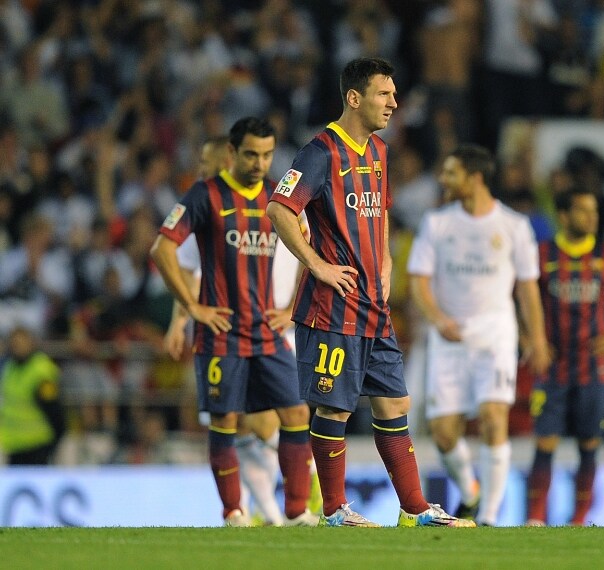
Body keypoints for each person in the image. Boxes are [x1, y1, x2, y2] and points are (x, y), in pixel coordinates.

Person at [267, 57, 475, 527]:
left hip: (373, 305)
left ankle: (415, 510)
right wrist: (317, 265)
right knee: (333, 406)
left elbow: (378, 215)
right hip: (332, 304)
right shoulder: (319, 152)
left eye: (394, 93)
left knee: (395, 402)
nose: (394, 102)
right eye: (385, 94)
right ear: (354, 98)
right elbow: (279, 208)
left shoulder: (379, 152)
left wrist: (383, 261)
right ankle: (335, 510)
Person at [150, 117, 317, 527]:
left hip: (266, 331)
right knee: (226, 423)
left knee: (296, 414)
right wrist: (193, 306)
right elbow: (162, 250)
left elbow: (308, 246)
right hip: (221, 334)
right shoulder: (205, 195)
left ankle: (297, 512)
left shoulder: (278, 200)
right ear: (232, 153)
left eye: (266, 155)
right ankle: (233, 512)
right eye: (251, 154)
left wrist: (293, 305)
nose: (260, 163)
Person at [407, 144, 550, 526]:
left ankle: (488, 517)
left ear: (475, 177)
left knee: (492, 416)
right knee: (443, 433)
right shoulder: (437, 223)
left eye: (451, 173)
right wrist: (438, 320)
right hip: (449, 336)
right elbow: (418, 281)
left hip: (495, 334)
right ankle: (471, 492)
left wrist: (536, 338)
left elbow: (527, 289)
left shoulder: (514, 226)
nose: (443, 179)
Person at [526, 187, 604, 526]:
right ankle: (535, 518)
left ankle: (579, 518)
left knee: (589, 444)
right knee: (545, 442)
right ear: (564, 216)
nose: (591, 217)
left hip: (594, 368)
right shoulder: (541, 254)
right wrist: (531, 337)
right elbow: (517, 296)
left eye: (594, 210)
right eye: (583, 210)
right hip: (552, 366)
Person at [0, 326, 66, 465]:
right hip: (14, 442)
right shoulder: (9, 368)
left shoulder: (40, 369)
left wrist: (57, 437)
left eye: (21, 344)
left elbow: (53, 408)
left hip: (38, 442)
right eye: (14, 344)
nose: (17, 348)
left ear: (31, 343)